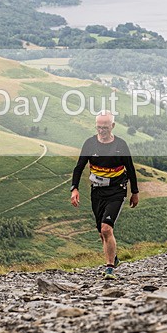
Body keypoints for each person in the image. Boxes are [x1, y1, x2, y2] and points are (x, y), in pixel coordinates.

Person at [70, 111, 139, 279]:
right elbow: (79, 167)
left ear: (112, 126)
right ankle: (113, 258)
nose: (102, 131)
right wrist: (74, 188)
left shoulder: (120, 145)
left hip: (117, 190)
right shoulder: (89, 144)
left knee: (106, 228)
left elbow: (130, 169)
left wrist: (135, 192)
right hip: (97, 191)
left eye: (105, 127)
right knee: (102, 233)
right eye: (99, 127)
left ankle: (109, 269)